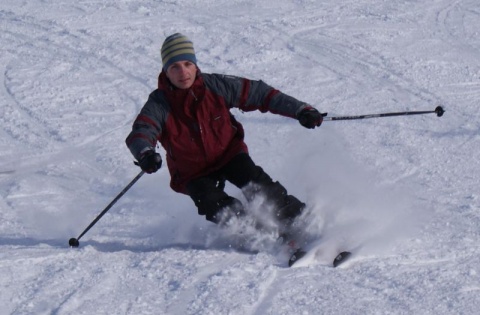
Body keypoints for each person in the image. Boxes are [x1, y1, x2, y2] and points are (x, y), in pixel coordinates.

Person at [126, 33, 324, 237]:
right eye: (174, 67)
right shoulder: (160, 103)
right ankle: (258, 233)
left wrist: (300, 110)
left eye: (187, 64)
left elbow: (260, 94)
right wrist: (145, 153)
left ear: (195, 65)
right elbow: (141, 131)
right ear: (165, 72)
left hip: (228, 154)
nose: (183, 72)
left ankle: (302, 220)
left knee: (259, 187)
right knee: (213, 203)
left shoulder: (216, 87)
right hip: (192, 171)